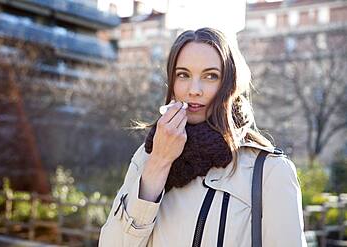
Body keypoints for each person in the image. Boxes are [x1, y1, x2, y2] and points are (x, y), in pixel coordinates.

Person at [98, 27, 307, 247]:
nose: (194, 89)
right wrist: (159, 162)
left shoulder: (270, 171)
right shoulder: (147, 156)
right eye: (183, 75)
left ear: (230, 83)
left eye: (210, 76)